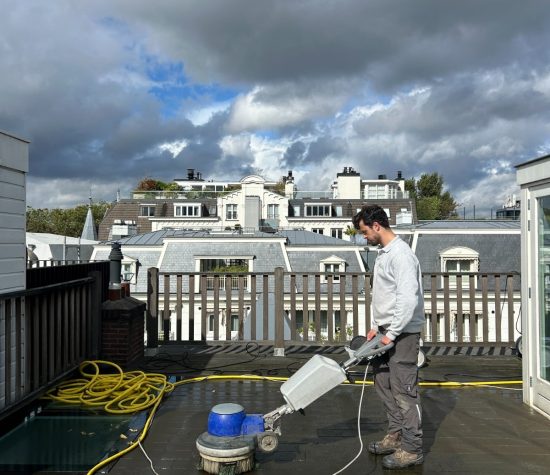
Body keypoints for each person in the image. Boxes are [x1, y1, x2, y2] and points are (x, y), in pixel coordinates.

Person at [352, 204, 425, 469]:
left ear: (376, 226)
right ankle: (395, 436)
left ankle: (412, 448)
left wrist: (391, 332)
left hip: (403, 334)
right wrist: (376, 327)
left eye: (363, 231)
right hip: (385, 332)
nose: (363, 237)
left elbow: (407, 299)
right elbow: (386, 296)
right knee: (383, 383)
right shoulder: (384, 254)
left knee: (404, 390)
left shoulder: (401, 255)